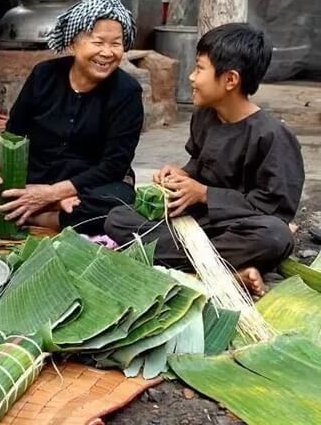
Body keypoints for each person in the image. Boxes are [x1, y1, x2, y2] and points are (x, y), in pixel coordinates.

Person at [104, 22, 305, 295]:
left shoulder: (272, 136)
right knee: (116, 217)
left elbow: (274, 211)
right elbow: (199, 165)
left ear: (230, 80)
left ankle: (198, 266)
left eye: (199, 68)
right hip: (199, 227)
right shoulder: (205, 116)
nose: (191, 77)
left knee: (274, 236)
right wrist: (180, 176)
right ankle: (224, 270)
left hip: (239, 228)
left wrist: (205, 194)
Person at [0, 0, 144, 233]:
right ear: (73, 42)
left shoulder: (127, 92)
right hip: (32, 178)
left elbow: (114, 165)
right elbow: (13, 134)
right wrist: (1, 169)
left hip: (84, 187)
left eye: (116, 43)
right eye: (98, 42)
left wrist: (52, 194)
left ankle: (39, 217)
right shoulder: (44, 75)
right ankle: (51, 213)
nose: (107, 52)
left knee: (115, 206)